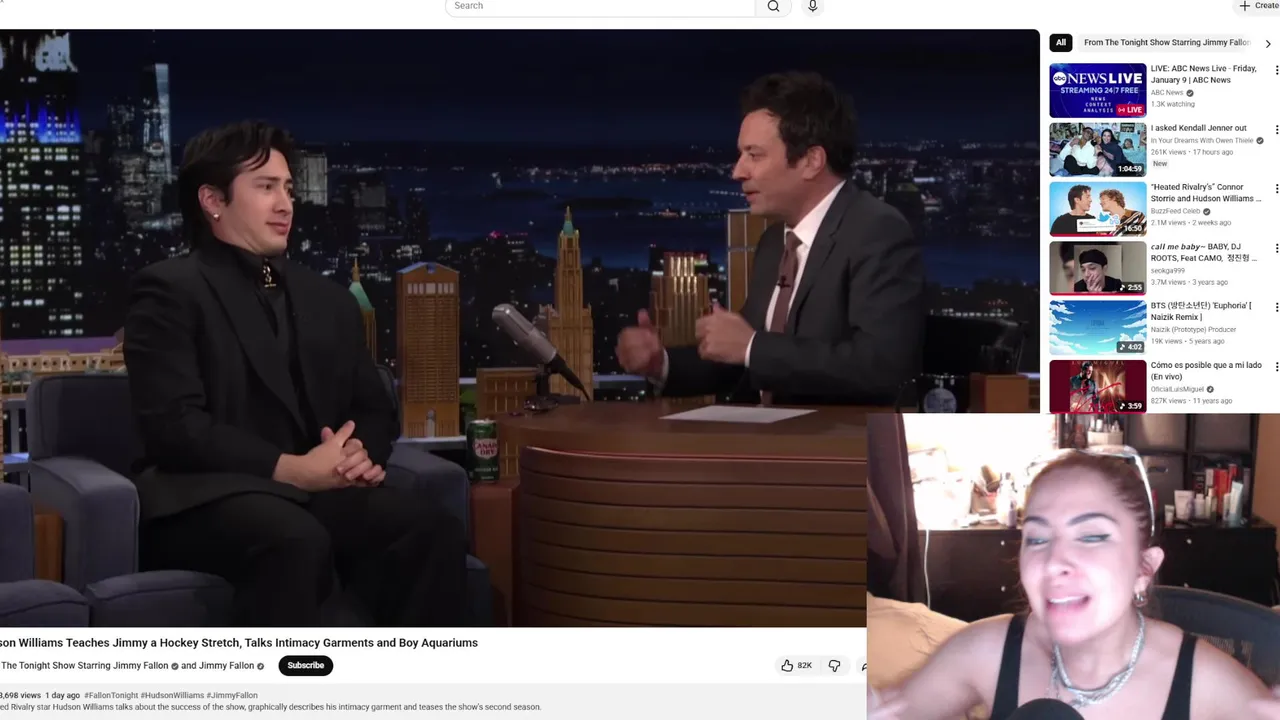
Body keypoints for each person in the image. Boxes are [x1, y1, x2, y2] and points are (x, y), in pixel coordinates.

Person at [123, 121, 468, 627]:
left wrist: (358, 453)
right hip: (207, 495)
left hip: (314, 491)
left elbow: (373, 408)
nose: (285, 204)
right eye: (266, 187)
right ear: (213, 200)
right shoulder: (168, 291)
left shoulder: (329, 300)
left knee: (429, 529)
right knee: (294, 539)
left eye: (288, 188)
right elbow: (175, 428)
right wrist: (290, 468)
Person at [868, 451, 1270, 720]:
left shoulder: (1209, 684)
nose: (1054, 562)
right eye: (1037, 538)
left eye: (1092, 536)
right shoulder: (984, 652)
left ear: (1144, 568)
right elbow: (886, 710)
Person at [615, 71, 924, 406]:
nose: (737, 171)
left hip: (837, 438)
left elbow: (881, 366)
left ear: (811, 161)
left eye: (754, 155)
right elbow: (742, 360)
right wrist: (660, 364)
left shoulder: (877, 232)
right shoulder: (774, 242)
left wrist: (752, 346)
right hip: (766, 433)